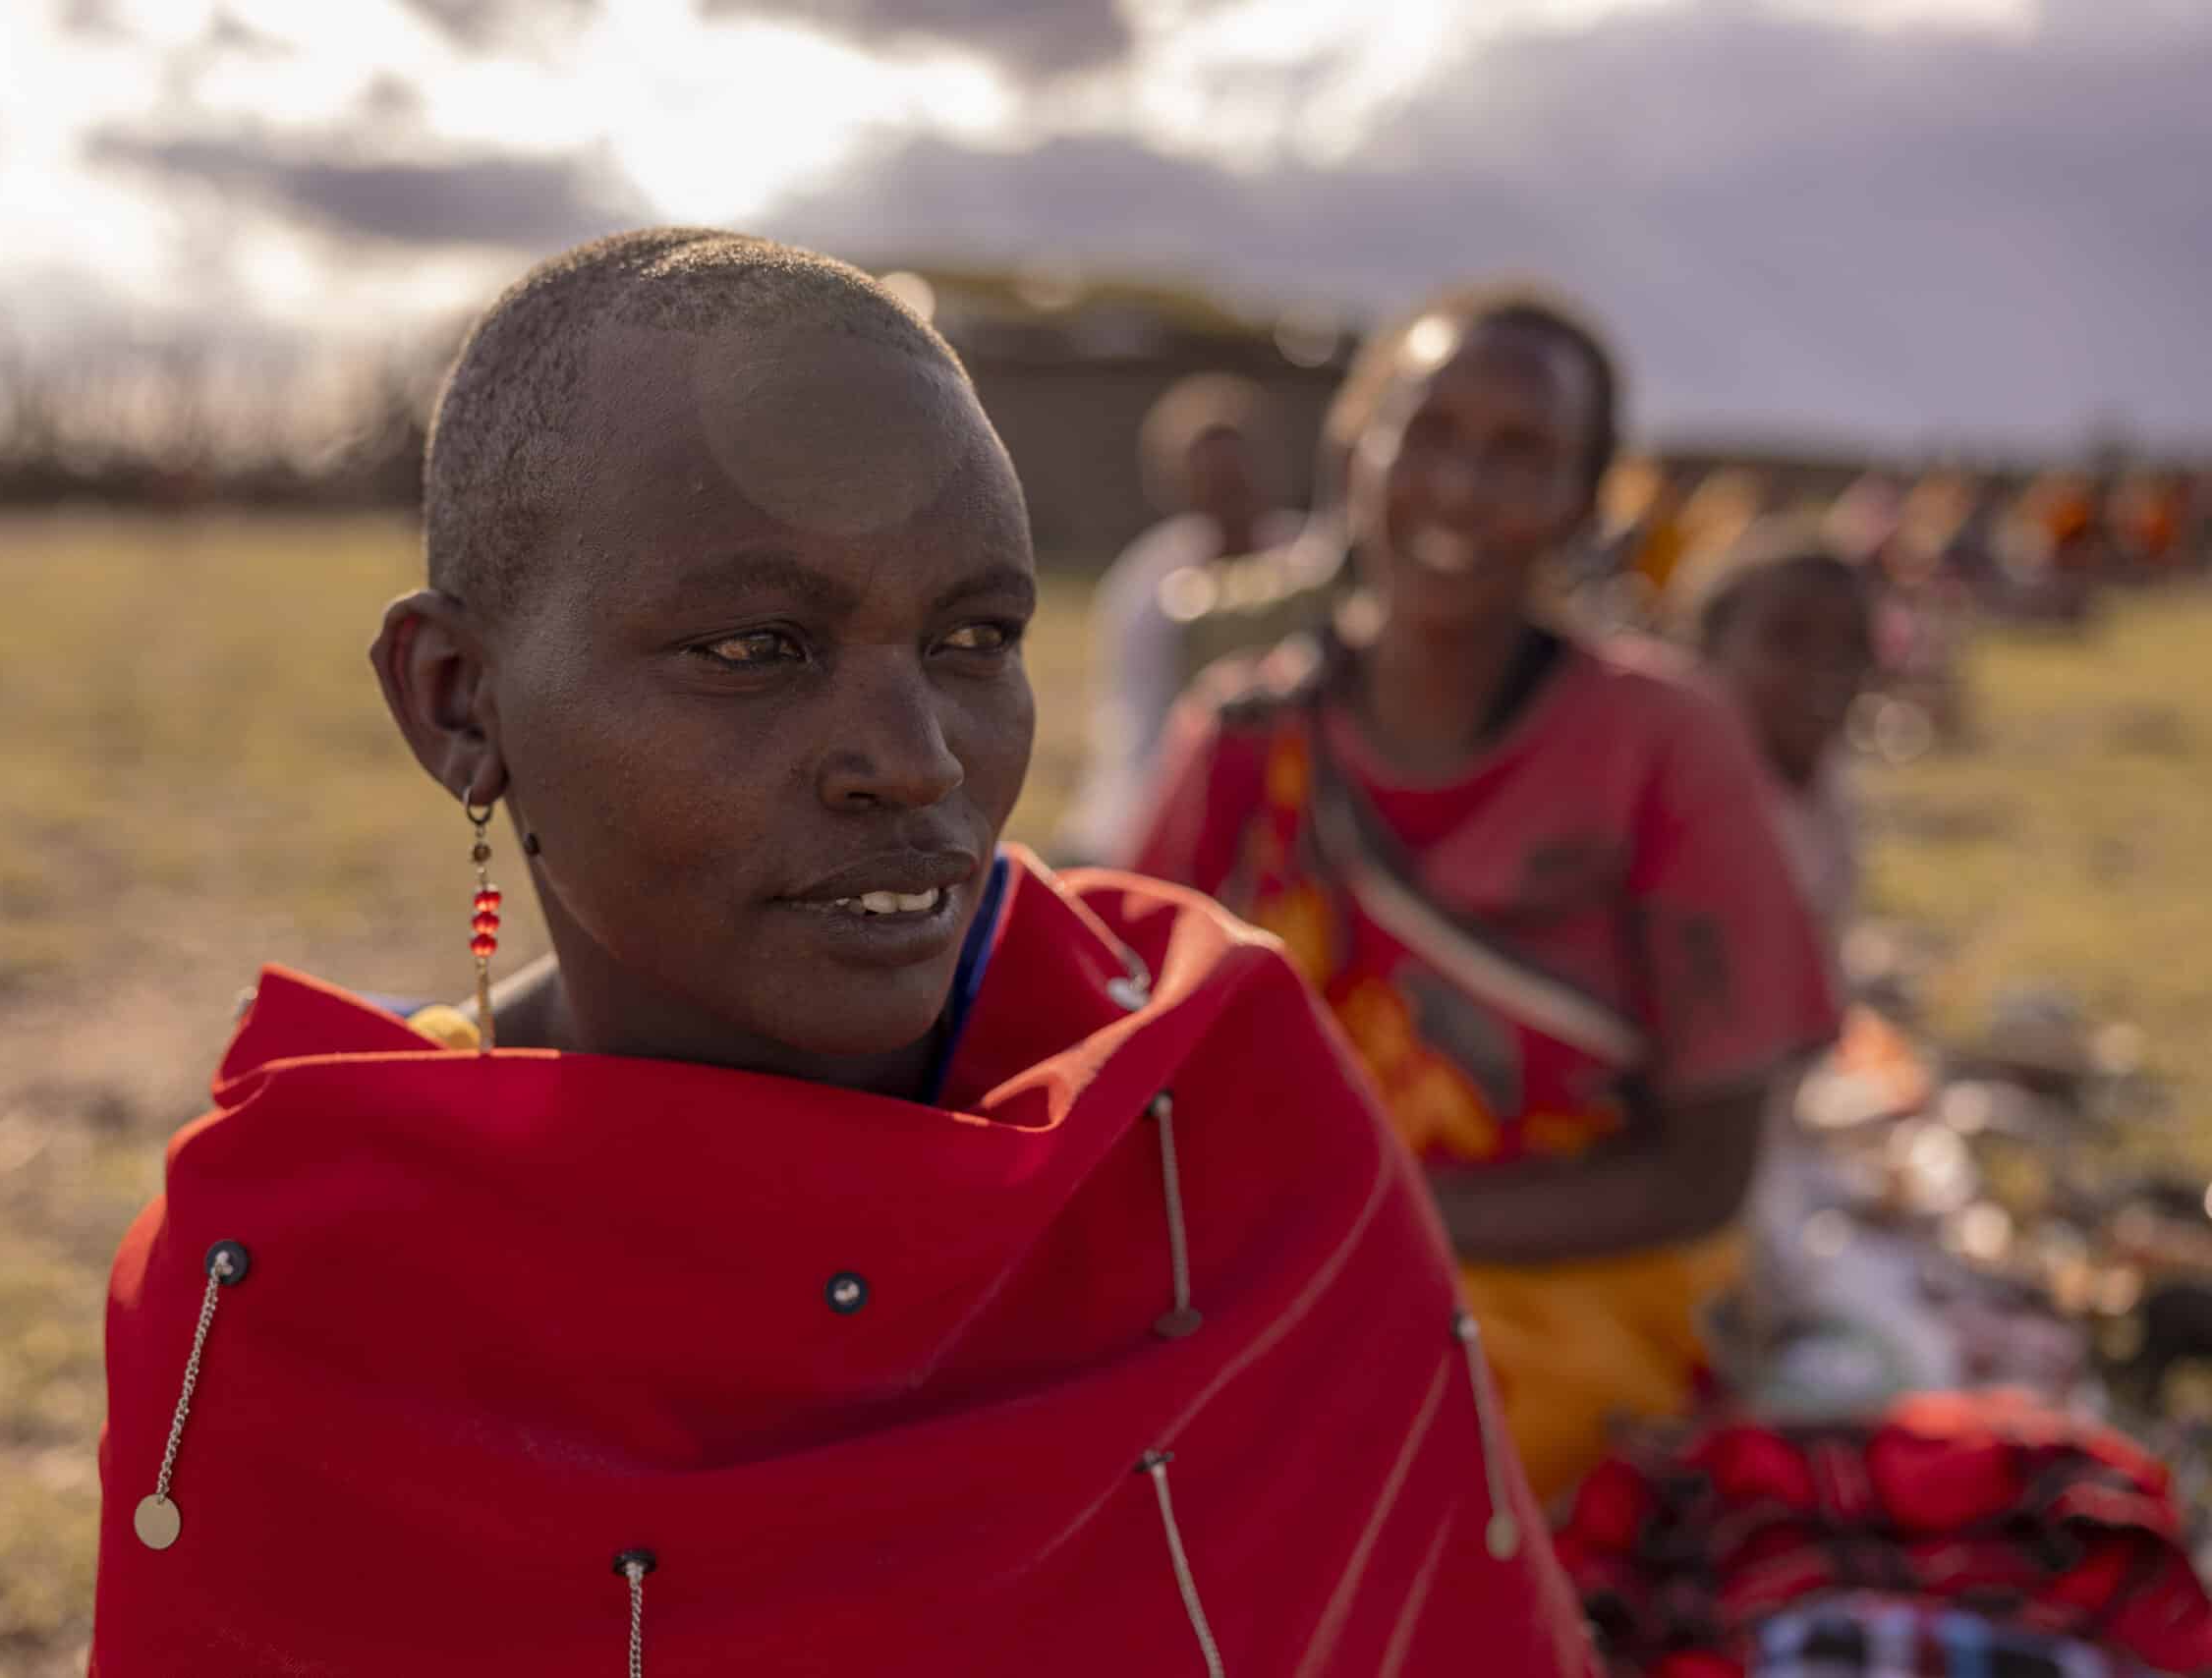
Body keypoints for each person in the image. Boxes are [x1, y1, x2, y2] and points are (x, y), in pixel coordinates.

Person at [88, 232, 1596, 1676]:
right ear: (460, 701)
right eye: (758, 648)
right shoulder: (294, 1294)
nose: (916, 760)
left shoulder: (1222, 1120)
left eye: (974, 637)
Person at [1126, 283, 1840, 1506]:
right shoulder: (1243, 743)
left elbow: (1706, 1169)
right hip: (1265, 1277)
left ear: (1583, 499)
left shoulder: (1663, 745)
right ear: (1357, 450)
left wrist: (1358, 1226)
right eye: (1431, 432)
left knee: (1379, 1472)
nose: (1461, 487)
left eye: (1523, 454)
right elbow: (1129, 1077)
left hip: (1572, 1298)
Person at [1054, 373, 1303, 865]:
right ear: (1177, 486)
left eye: (1235, 478)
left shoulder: (1307, 567)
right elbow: (1137, 732)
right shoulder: (1149, 585)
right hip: (1169, 796)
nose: (1225, 497)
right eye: (1208, 483)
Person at [1674, 518, 1874, 940]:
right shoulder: (1669, 801)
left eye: (1852, 644)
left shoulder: (1824, 788)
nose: (1829, 667)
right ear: (1708, 650)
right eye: (1788, 639)